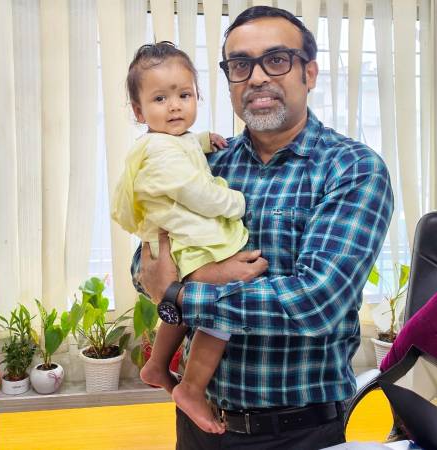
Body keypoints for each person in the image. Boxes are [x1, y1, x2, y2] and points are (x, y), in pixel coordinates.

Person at [134, 6, 394, 450]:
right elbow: (145, 263)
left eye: (276, 60)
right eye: (240, 65)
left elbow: (315, 302)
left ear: (309, 73)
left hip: (297, 433)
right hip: (199, 427)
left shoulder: (351, 168)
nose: (256, 77)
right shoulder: (207, 162)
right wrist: (188, 281)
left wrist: (179, 294)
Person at [112, 41, 267, 434]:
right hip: (186, 240)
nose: (175, 107)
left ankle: (156, 364)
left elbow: (183, 148)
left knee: (183, 299)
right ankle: (193, 387)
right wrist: (235, 203)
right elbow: (196, 192)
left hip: (179, 240)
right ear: (138, 111)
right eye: (160, 99)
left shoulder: (169, 141)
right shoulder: (161, 153)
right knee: (224, 301)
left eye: (184, 95)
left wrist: (203, 140)